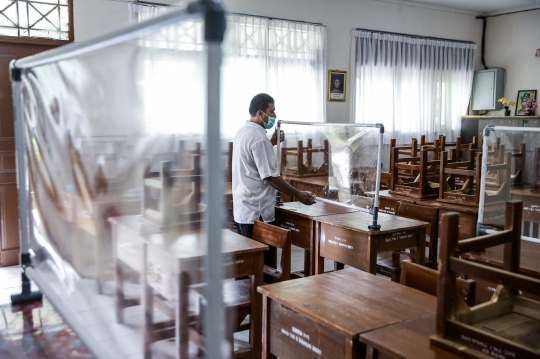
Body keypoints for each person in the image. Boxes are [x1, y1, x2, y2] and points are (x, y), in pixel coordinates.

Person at [232, 93, 316, 278]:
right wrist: (298, 194)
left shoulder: (243, 133)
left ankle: (250, 302)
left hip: (243, 209)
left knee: (247, 267)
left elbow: (253, 161)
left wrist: (271, 143)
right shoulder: (259, 139)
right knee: (261, 271)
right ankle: (262, 304)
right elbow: (270, 177)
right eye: (272, 111)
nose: (275, 116)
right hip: (257, 212)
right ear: (260, 113)